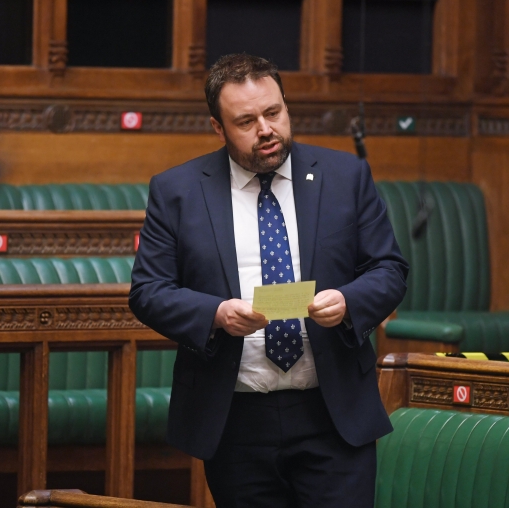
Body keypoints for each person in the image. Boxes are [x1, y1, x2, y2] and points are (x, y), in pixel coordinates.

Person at [129, 53, 408, 508]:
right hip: (236, 417)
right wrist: (215, 314)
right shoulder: (177, 190)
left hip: (332, 411)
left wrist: (348, 301)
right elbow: (148, 291)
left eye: (274, 113)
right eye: (246, 121)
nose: (266, 130)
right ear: (218, 128)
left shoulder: (345, 177)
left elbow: (389, 269)